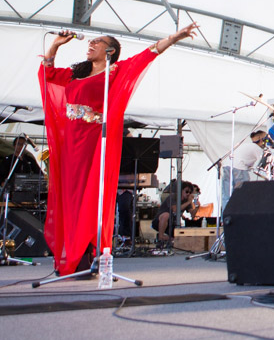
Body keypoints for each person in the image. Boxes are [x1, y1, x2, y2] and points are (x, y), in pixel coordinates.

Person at [38, 23, 198, 275]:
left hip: (94, 142)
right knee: (69, 195)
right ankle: (70, 252)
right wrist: (55, 46)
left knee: (90, 196)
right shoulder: (75, 74)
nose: (91, 44)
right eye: (90, 41)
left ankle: (87, 252)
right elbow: (47, 74)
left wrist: (175, 37)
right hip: (70, 142)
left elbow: (148, 54)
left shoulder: (114, 72)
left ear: (110, 50)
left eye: (97, 42)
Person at [155, 180, 201, 251]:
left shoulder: (187, 201)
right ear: (181, 191)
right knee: (166, 215)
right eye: (186, 192)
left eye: (190, 192)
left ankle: (167, 239)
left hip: (173, 224)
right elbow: (175, 209)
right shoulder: (173, 197)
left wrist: (197, 207)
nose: (188, 194)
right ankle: (161, 236)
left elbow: (192, 214)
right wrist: (189, 202)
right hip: (160, 221)